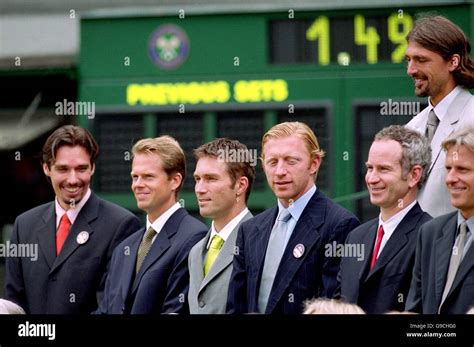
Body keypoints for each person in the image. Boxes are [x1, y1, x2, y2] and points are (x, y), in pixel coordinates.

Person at [4, 125, 141, 314]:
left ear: (92, 167)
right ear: (46, 168)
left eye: (81, 168)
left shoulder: (122, 225)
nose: (73, 179)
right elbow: (14, 302)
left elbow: (111, 307)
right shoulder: (24, 225)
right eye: (63, 169)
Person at [227, 122, 360, 314]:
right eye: (272, 162)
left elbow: (334, 306)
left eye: (291, 161)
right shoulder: (250, 230)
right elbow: (236, 306)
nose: (280, 171)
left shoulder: (339, 225)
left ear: (314, 163)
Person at [96, 136, 207, 314]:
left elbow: (176, 309)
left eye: (148, 177)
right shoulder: (125, 248)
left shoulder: (194, 238)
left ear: (175, 181)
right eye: (135, 177)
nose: (138, 185)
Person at [337, 126, 432, 313]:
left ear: (414, 175)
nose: (371, 178)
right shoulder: (356, 236)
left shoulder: (430, 236)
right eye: (370, 168)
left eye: (383, 169)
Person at [405, 15, 474, 217]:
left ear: (453, 62)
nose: (411, 70)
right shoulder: (411, 128)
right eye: (408, 60)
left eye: (421, 60)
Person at [406, 127, 474, 314]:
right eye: (448, 169)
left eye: (462, 169)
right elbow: (415, 309)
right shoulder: (430, 233)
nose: (451, 178)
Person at [188, 138, 255, 314]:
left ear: (240, 185)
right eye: (197, 179)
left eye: (211, 179)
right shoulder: (195, 252)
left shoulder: (260, 244)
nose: (199, 189)